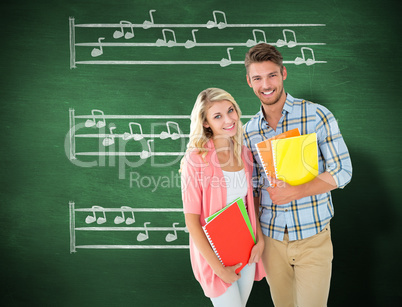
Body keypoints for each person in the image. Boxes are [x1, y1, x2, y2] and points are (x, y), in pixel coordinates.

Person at [242, 43, 352, 307]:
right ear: (249, 81)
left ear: (284, 74)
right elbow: (254, 190)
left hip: (313, 236)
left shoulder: (316, 115)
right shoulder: (248, 131)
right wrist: (255, 237)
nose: (265, 84)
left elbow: (343, 171)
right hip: (271, 240)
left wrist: (296, 191)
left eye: (272, 75)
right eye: (257, 78)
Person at [181, 88, 266, 307]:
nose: (229, 119)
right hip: (214, 256)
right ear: (206, 122)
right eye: (217, 116)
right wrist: (218, 268)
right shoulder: (196, 159)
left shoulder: (245, 154)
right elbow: (192, 221)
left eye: (230, 111)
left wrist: (260, 240)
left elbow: (251, 203)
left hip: (246, 247)